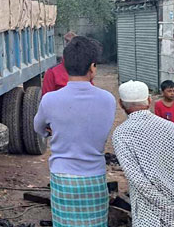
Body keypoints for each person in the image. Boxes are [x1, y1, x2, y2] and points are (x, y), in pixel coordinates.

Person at [34, 36, 116, 226]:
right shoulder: (108, 100)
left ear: (65, 64)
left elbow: (38, 127)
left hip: (63, 178)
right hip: (94, 177)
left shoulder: (50, 100)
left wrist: (51, 130)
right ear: (93, 67)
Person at [112, 80, 174, 227]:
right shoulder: (172, 128)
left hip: (148, 218)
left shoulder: (121, 134)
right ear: (149, 100)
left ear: (121, 104)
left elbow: (140, 182)